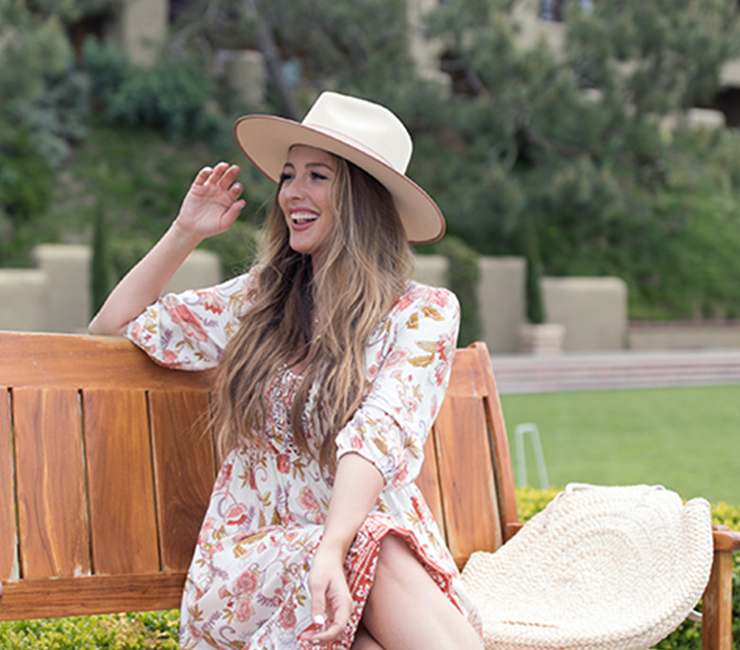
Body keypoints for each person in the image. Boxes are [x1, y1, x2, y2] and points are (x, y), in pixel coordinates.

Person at [89, 91, 482, 650]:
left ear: (364, 198)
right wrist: (186, 232)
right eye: (289, 175)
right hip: (252, 566)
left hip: (359, 559)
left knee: (369, 612)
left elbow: (380, 430)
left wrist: (332, 544)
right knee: (372, 548)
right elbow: (112, 328)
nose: (292, 192)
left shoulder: (422, 313)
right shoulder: (260, 301)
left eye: (318, 176)